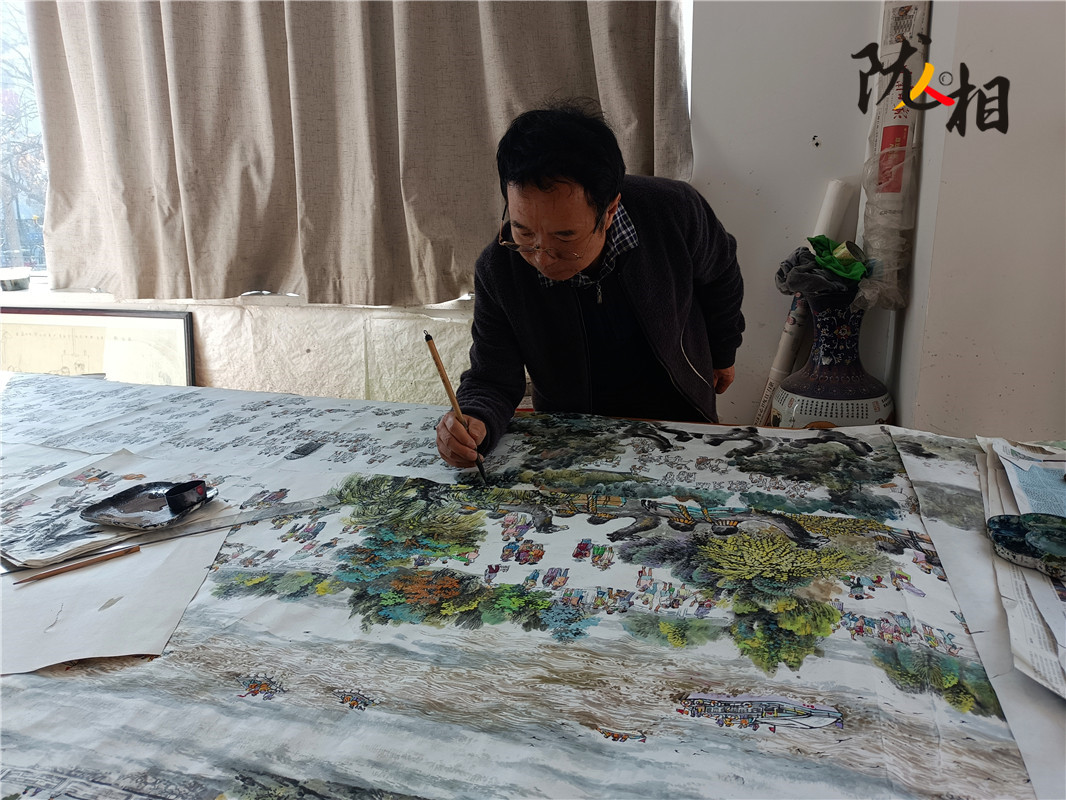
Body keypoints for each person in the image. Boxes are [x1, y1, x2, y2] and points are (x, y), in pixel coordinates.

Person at [436, 99, 745, 469]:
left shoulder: (673, 211)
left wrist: (724, 351)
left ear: (609, 210)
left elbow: (721, 274)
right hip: (574, 436)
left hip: (680, 418)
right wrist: (473, 420)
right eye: (524, 232)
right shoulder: (499, 269)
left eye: (565, 237)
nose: (542, 258)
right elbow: (492, 377)